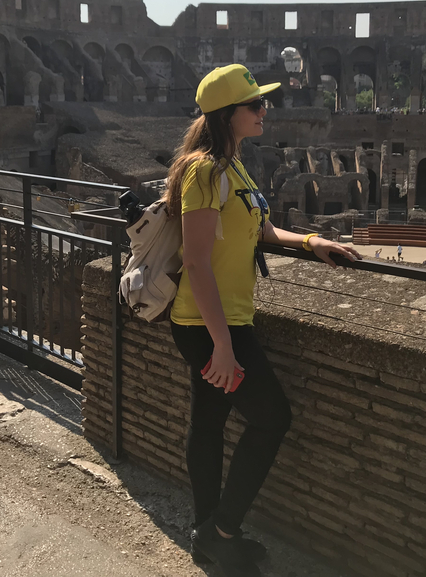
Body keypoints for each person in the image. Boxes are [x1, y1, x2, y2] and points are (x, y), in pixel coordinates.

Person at [164, 64, 361, 577]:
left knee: (207, 425)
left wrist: (311, 241)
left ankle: (208, 537)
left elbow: (262, 229)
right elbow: (197, 261)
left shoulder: (235, 166)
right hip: (206, 324)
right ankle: (221, 530)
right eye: (255, 105)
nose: (264, 111)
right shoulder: (205, 171)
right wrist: (222, 346)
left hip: (226, 319)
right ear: (228, 114)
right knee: (273, 418)